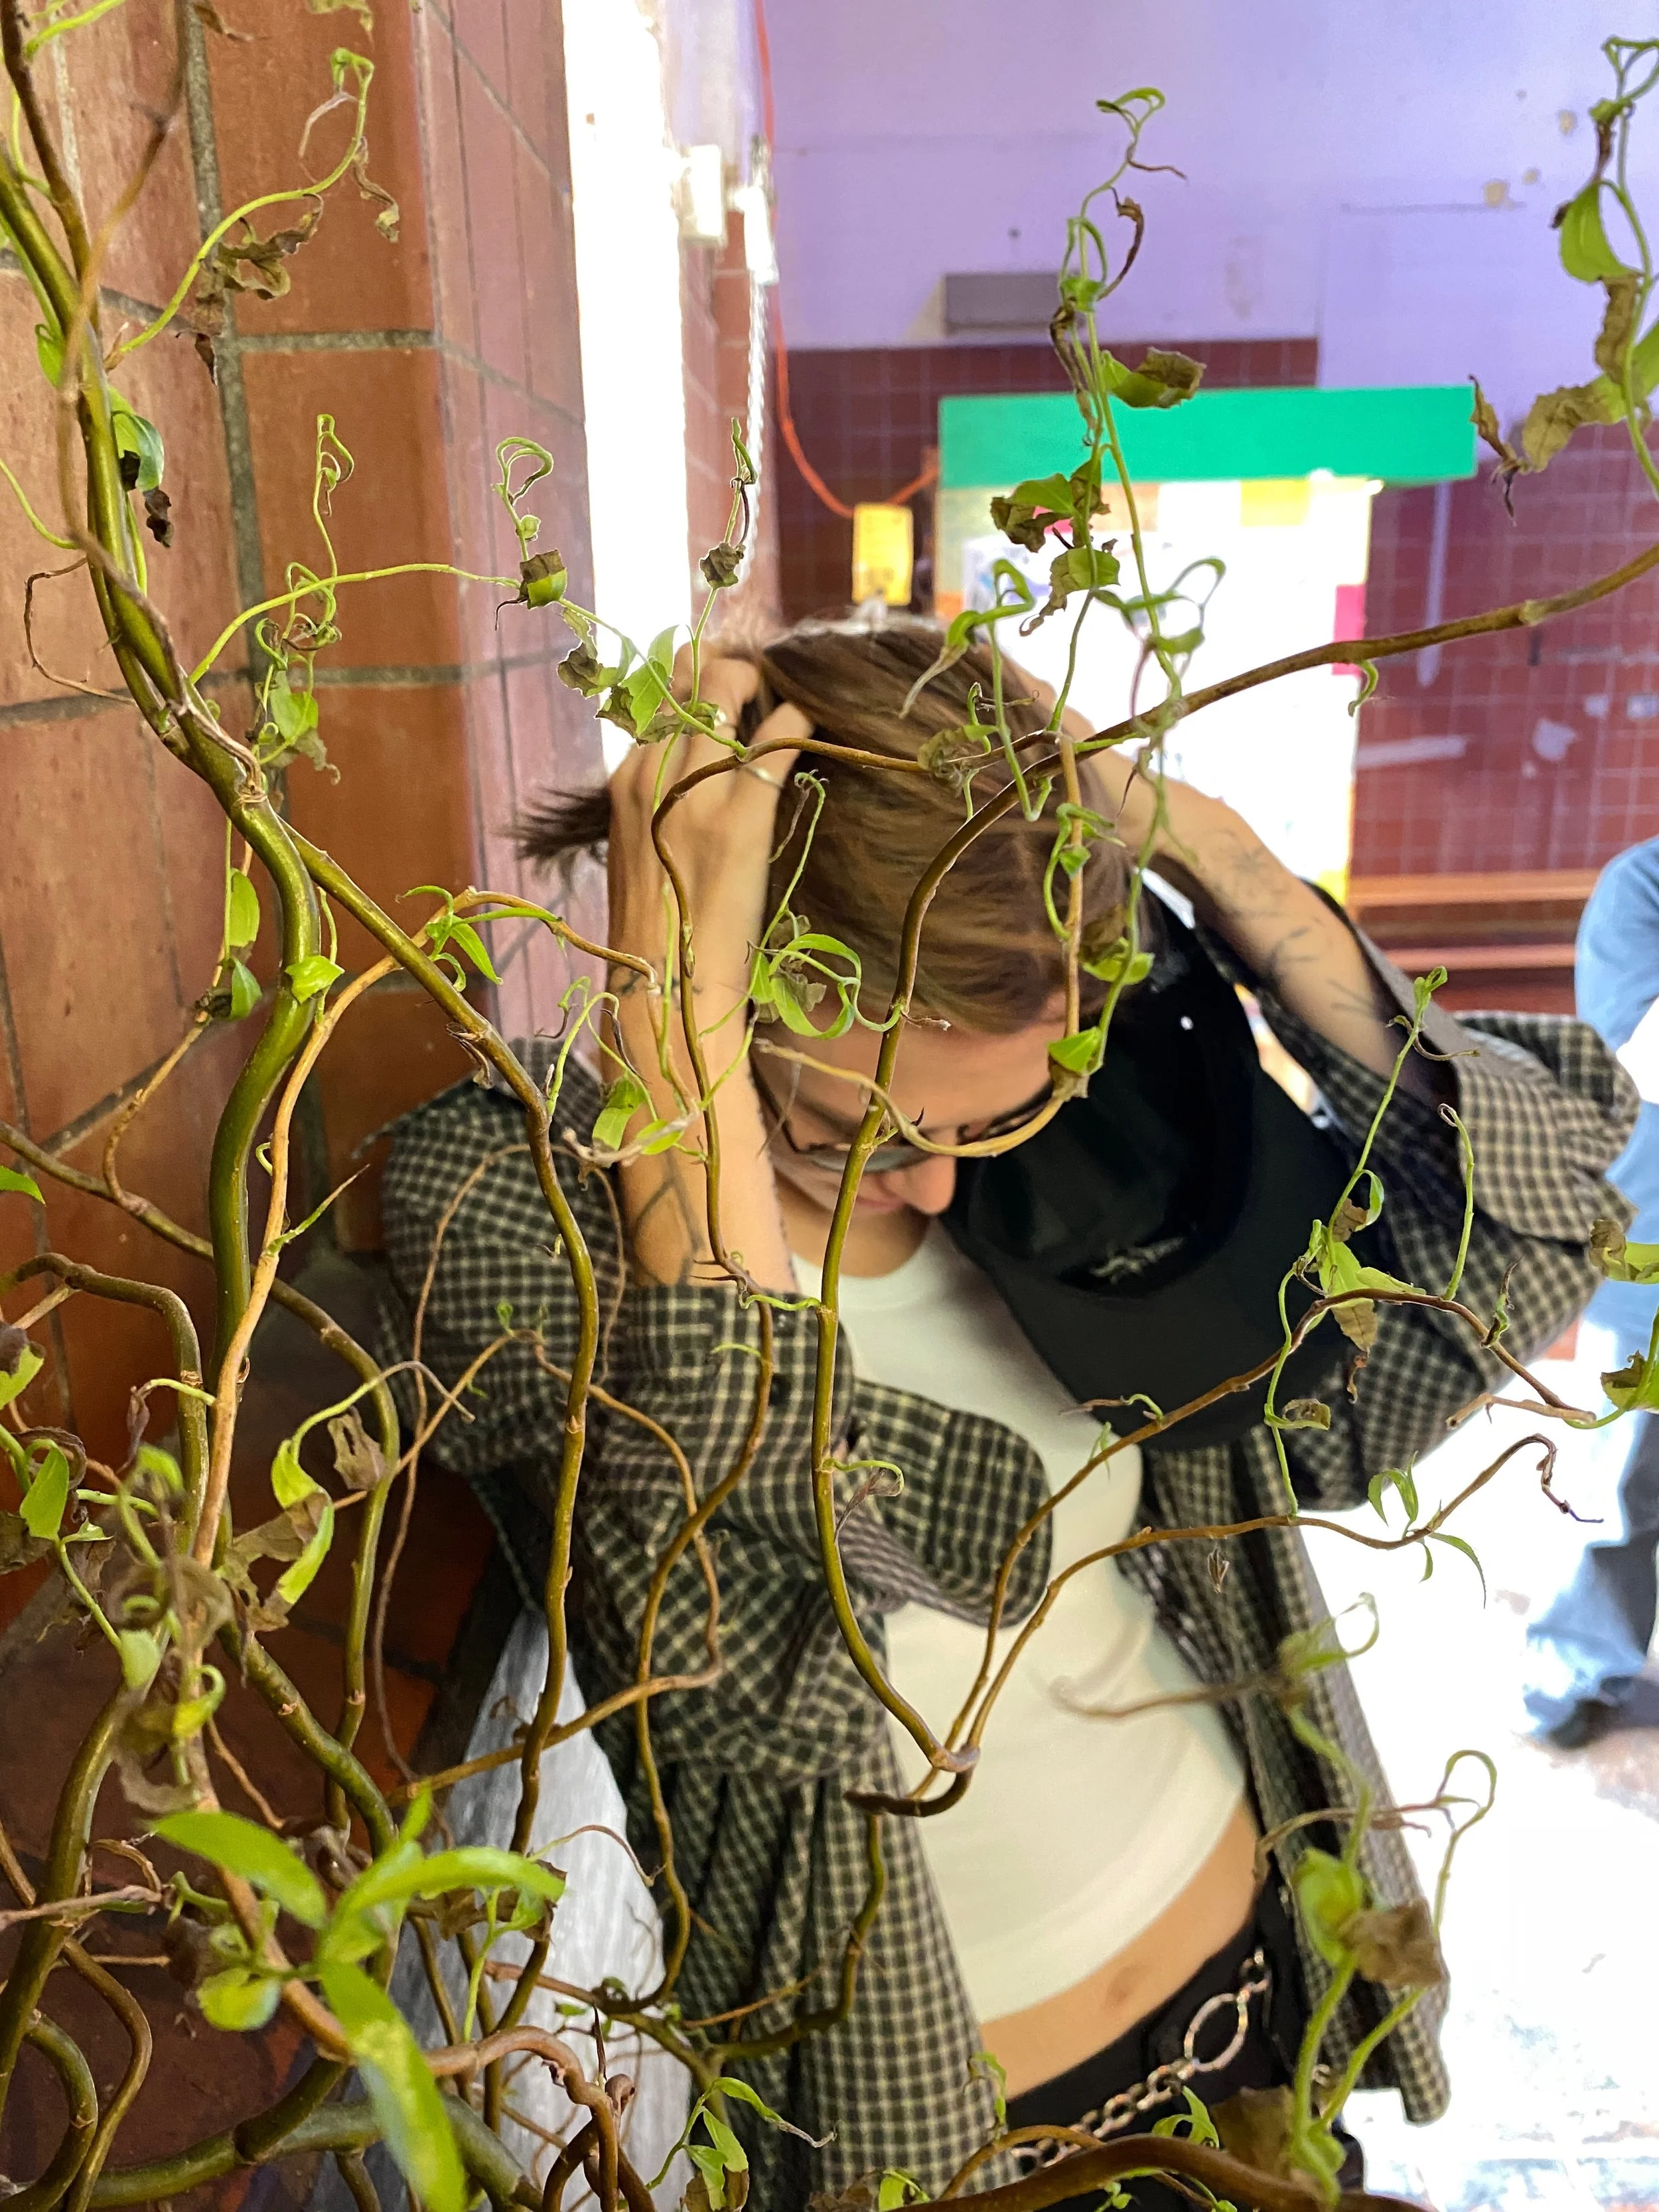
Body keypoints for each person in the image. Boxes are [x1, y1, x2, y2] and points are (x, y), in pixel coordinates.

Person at [378, 619, 1634, 2207]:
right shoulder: (502, 1197)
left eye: (1000, 1112)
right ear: (703, 978)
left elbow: (1526, 1229)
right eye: (864, 1128)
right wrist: (672, 1035)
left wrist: (1201, 846)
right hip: (939, 2121)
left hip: (1256, 1950)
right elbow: (772, 1634)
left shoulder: (1048, 1170)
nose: (940, 1181)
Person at [1524, 835, 1659, 1748]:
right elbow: (1637, 1060)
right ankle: (1569, 1677)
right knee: (1619, 1490)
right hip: (1651, 1257)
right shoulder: (1641, 886)